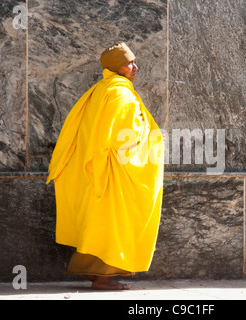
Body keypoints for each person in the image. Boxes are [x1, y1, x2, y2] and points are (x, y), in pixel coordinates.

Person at [46, 42, 164, 290]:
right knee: (113, 224)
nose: (135, 67)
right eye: (129, 63)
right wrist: (153, 135)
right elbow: (125, 136)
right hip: (115, 172)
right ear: (115, 67)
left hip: (101, 170)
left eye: (133, 62)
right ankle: (102, 278)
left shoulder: (101, 89)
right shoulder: (120, 93)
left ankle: (92, 272)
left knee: (99, 223)